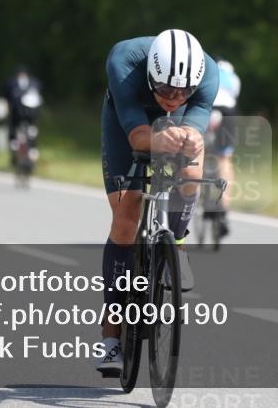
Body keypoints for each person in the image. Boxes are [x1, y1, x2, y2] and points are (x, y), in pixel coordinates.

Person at [97, 29, 218, 376]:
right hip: (128, 119)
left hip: (175, 126)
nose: (172, 97)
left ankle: (176, 244)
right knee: (127, 212)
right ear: (151, 74)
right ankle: (111, 339)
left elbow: (194, 131)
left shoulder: (208, 74)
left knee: (192, 170)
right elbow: (137, 135)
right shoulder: (125, 60)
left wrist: (189, 141)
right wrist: (159, 138)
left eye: (182, 92)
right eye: (165, 89)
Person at [207, 58, 240, 237]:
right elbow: (233, 97)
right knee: (224, 158)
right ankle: (223, 210)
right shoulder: (234, 78)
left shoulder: (206, 71)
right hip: (227, 111)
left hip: (208, 107)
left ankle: (197, 195)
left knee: (198, 152)